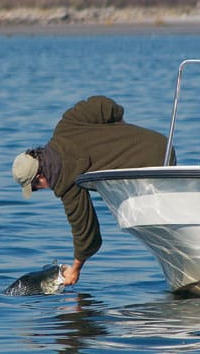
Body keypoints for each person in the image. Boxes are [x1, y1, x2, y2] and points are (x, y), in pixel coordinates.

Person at [11, 95, 175, 285]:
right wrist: (121, 128)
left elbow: (87, 234)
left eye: (37, 188)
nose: (43, 189)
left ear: (40, 177)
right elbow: (101, 104)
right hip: (161, 144)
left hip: (153, 174)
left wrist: (75, 269)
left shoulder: (67, 185)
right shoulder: (66, 126)